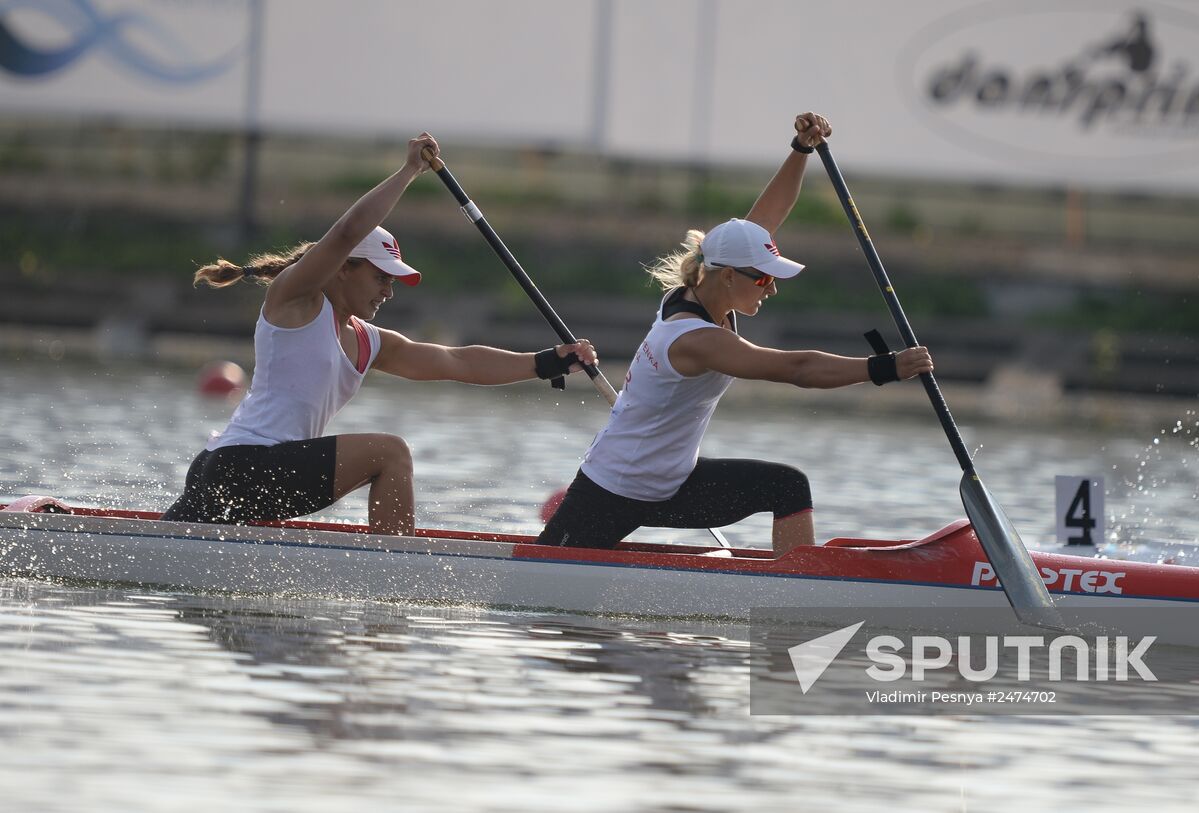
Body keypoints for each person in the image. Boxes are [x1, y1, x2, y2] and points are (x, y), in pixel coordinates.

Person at [537, 113, 933, 556]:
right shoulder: (697, 340)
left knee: (787, 487)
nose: (772, 287)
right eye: (763, 278)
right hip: (615, 487)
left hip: (671, 482)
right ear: (727, 276)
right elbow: (795, 368)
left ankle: (794, 593)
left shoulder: (702, 288)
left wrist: (800, 150)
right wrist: (885, 368)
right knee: (537, 589)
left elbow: (764, 221)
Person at [162, 133, 597, 537]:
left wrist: (546, 362)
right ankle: (395, 577)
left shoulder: (368, 341)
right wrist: (409, 171)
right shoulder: (295, 300)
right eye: (380, 278)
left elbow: (457, 361)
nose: (388, 292)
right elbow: (348, 231)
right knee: (389, 453)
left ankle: (383, 567)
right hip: (240, 466)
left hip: (256, 474)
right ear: (343, 267)